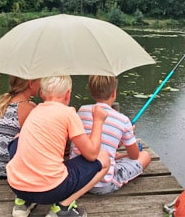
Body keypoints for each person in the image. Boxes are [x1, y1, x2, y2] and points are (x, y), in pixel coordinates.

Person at [6, 75, 110, 217]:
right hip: (50, 191)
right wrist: (98, 121)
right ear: (68, 94)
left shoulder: (35, 110)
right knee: (103, 158)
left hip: (17, 185)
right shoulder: (68, 113)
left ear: (42, 93)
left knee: (17, 138)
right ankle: (63, 207)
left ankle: (23, 202)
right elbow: (91, 154)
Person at [70, 75, 151, 195]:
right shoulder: (123, 120)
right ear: (114, 93)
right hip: (102, 185)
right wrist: (129, 134)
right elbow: (134, 156)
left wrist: (120, 142)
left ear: (91, 92)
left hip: (77, 179)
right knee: (145, 156)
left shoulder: (81, 110)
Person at [0, 76, 40, 180]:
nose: (41, 85)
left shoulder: (2, 102)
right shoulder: (26, 109)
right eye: (40, 81)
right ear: (30, 84)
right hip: (10, 172)